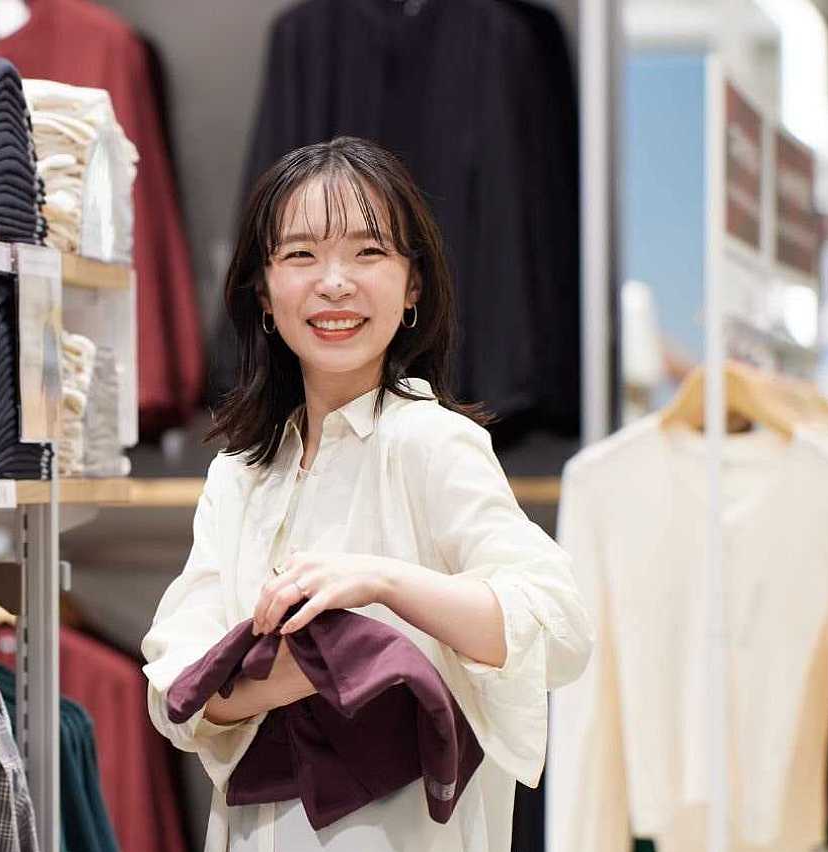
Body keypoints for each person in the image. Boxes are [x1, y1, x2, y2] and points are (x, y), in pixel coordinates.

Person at [140, 137, 593, 852]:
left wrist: (380, 582)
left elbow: (560, 627)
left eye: (369, 252)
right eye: (300, 255)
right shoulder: (241, 473)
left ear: (413, 287)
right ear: (264, 293)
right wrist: (317, 668)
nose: (335, 283)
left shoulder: (431, 442)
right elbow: (174, 689)